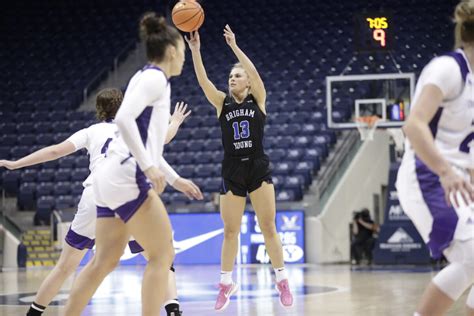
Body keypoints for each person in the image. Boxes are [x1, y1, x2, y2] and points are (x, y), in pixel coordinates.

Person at [0, 90, 191, 316]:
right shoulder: (134, 128)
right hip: (128, 195)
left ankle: (34, 314)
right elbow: (164, 138)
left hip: (96, 194)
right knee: (160, 258)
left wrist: (15, 164)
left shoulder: (91, 131)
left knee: (65, 267)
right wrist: (176, 121)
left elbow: (54, 151)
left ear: (99, 110)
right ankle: (173, 311)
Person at [62, 13, 203, 316]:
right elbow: (124, 119)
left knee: (104, 261)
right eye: (181, 50)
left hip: (109, 176)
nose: (183, 59)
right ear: (171, 52)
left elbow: (149, 143)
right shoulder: (154, 79)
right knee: (163, 254)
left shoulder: (146, 76)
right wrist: (149, 168)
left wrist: (173, 178)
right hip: (127, 175)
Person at [185, 26, 294, 310]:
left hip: (257, 166)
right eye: (230, 76)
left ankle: (281, 280)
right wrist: (195, 50)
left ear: (246, 82)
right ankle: (225, 284)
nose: (232, 78)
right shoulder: (222, 103)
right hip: (232, 168)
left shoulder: (258, 98)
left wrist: (234, 46)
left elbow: (255, 73)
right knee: (230, 231)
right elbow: (203, 81)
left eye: (237, 75)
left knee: (268, 226)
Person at [396, 1, 474, 315]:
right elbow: (413, 125)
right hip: (426, 175)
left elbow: (463, 146)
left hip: (458, 178)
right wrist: (445, 171)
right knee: (471, 256)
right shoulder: (448, 68)